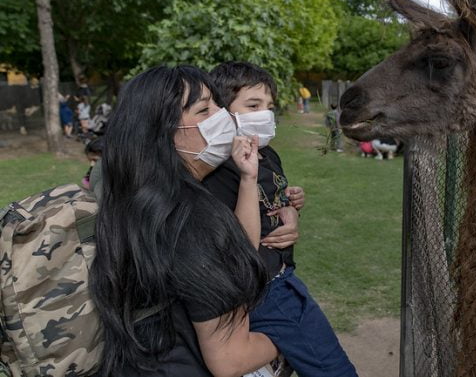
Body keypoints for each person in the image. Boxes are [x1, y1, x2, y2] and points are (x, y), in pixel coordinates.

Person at [89, 65, 279, 377]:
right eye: (205, 110)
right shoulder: (189, 221)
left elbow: (231, 255)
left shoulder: (128, 196)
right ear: (164, 134)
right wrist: (289, 338)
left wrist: (248, 181)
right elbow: (230, 359)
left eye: (217, 104)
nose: (222, 116)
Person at [206, 61, 357, 377]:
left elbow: (272, 200)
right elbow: (233, 237)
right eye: (253, 105)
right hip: (267, 288)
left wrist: (292, 206)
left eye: (269, 106)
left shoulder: (269, 154)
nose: (265, 114)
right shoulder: (220, 170)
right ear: (223, 111)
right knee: (333, 367)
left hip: (282, 274)